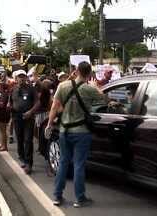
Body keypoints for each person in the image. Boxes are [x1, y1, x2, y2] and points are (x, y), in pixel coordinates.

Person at [46, 61, 104, 208]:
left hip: (64, 131)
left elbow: (54, 107)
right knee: (79, 165)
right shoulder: (89, 89)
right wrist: (96, 85)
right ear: (90, 73)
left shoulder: (63, 85)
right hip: (81, 132)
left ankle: (57, 197)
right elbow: (105, 99)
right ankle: (79, 198)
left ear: (76, 70)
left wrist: (49, 124)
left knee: (63, 163)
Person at [11, 70, 39, 174]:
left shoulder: (31, 89)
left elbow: (37, 102)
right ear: (16, 78)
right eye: (19, 77)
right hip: (17, 118)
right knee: (20, 139)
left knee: (28, 140)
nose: (21, 78)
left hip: (28, 117)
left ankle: (28, 163)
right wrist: (10, 108)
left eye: (23, 76)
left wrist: (30, 112)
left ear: (26, 78)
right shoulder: (13, 89)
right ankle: (22, 157)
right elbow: (11, 102)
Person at [0, 82, 11, 152]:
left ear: (2, 88)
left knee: (3, 131)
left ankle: (5, 146)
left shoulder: (5, 95)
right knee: (1, 131)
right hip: (0, 114)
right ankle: (2, 144)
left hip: (3, 114)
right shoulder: (2, 94)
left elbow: (2, 105)